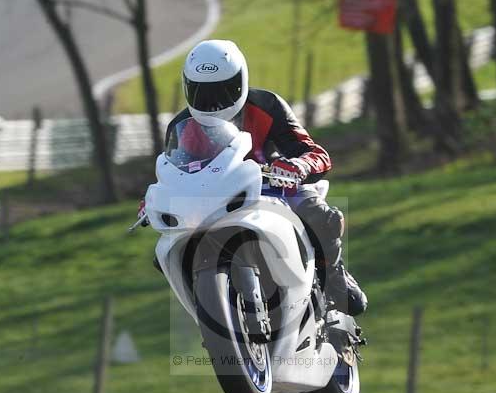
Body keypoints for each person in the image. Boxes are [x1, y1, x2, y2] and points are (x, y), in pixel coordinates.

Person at [148, 39, 368, 317]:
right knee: (165, 251)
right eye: (201, 93)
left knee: (321, 215)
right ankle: (210, 313)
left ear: (240, 82)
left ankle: (334, 276)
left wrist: (297, 166)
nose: (212, 103)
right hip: (213, 199)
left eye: (222, 91)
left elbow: (315, 153)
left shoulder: (267, 105)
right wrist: (156, 197)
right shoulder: (182, 126)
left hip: (273, 189)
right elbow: (172, 170)